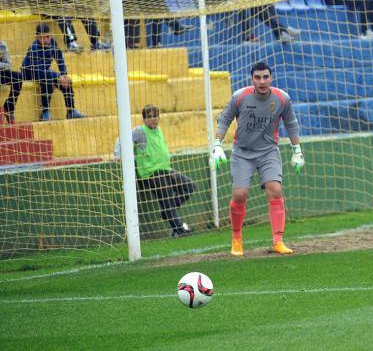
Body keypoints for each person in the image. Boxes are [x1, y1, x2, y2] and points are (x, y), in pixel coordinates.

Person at [212, 62, 305, 256]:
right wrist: (217, 145)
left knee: (275, 189)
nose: (262, 81)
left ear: (271, 78)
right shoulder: (240, 97)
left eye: (265, 77)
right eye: (257, 77)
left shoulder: (282, 98)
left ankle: (278, 241)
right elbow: (224, 119)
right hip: (243, 152)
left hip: (268, 151)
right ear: (251, 79)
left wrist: (297, 150)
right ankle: (236, 239)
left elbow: (291, 123)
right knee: (240, 195)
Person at [114, 104, 195, 237]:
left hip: (165, 170)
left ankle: (166, 212)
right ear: (144, 119)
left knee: (190, 186)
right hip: (150, 174)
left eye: (155, 116)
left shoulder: (159, 130)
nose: (153, 119)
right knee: (167, 198)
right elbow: (121, 139)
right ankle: (179, 230)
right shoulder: (140, 131)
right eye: (149, 117)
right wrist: (117, 154)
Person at [21, 24, 85, 121]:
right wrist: (58, 76)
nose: (46, 39)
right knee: (47, 81)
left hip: (45, 71)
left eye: (48, 36)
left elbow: (60, 59)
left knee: (67, 81)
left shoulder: (52, 43)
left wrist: (63, 74)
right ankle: (45, 112)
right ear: (37, 37)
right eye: (43, 37)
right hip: (30, 72)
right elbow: (39, 70)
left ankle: (71, 111)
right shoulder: (34, 48)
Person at [0, 39, 22, 123]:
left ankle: (8, 108)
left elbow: (8, 65)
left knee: (18, 77)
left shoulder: (2, 45)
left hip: (1, 74)